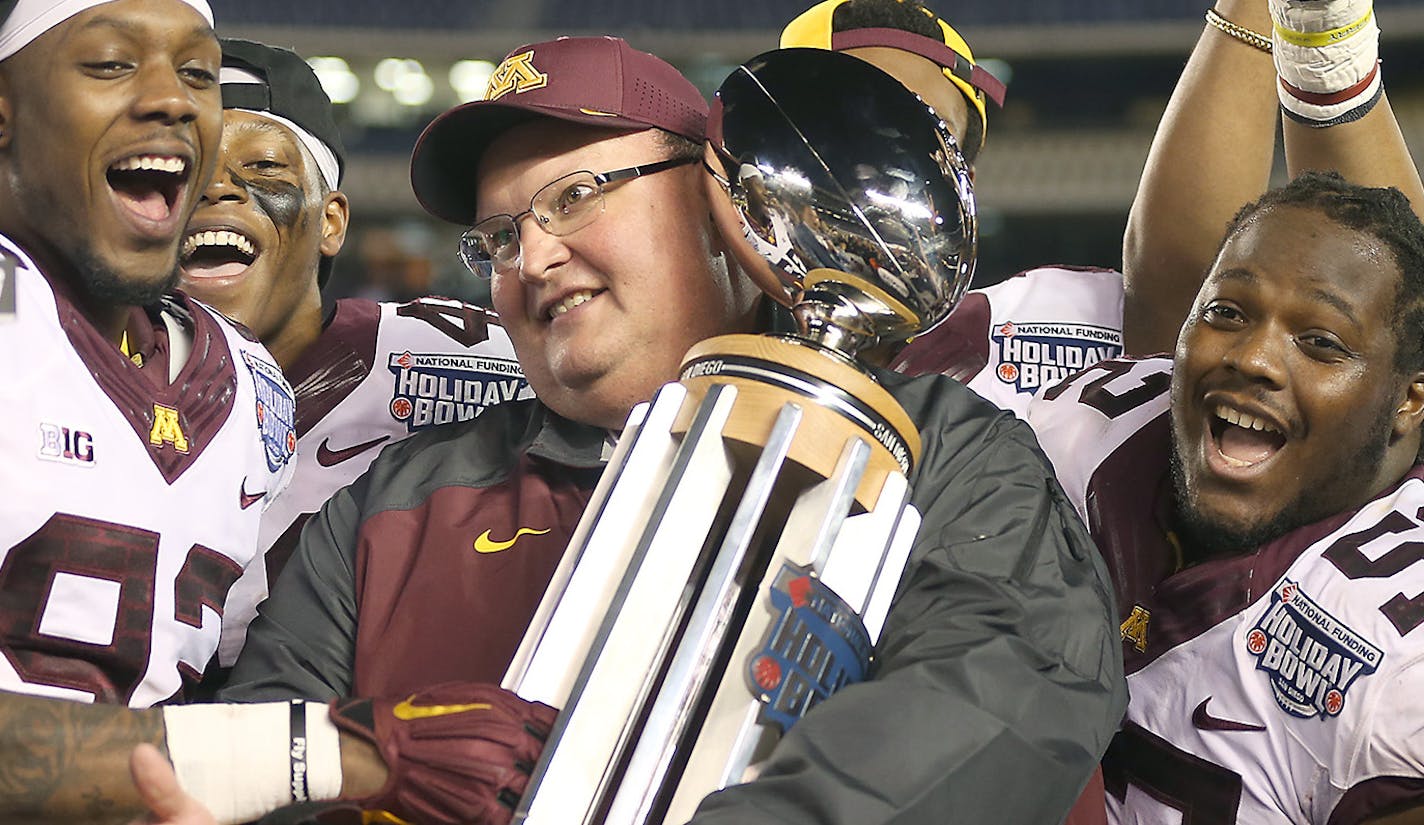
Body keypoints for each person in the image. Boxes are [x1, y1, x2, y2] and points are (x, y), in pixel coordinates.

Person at [0, 34, 1118, 825]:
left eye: (578, 196)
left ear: (724, 208)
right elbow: (271, 754)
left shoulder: (937, 445)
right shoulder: (390, 507)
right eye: (497, 236)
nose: (531, 259)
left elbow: (1007, 696)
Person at [1026, 170, 1424, 823]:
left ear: (1409, 399)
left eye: (1319, 341)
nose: (1254, 357)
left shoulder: (1398, 668)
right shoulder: (1085, 431)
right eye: (1226, 312)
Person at [178, 38, 529, 667]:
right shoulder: (66, 371)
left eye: (262, 167)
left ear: (332, 222)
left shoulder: (462, 360)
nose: (217, 191)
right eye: (185, 170)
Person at [0, 0, 297, 708]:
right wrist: (314, 751)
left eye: (200, 72)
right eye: (110, 63)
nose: (172, 99)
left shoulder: (249, 378)